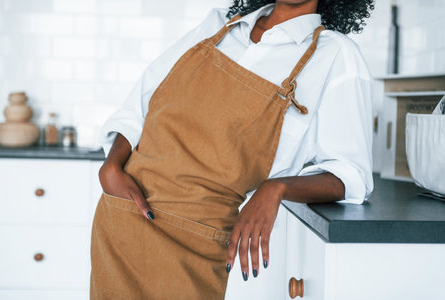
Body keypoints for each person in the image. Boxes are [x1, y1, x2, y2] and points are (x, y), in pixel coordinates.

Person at [90, 0, 375, 299]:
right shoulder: (221, 26)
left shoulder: (334, 54)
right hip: (122, 218)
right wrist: (111, 165)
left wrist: (275, 188)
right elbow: (140, 102)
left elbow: (350, 175)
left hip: (197, 239)